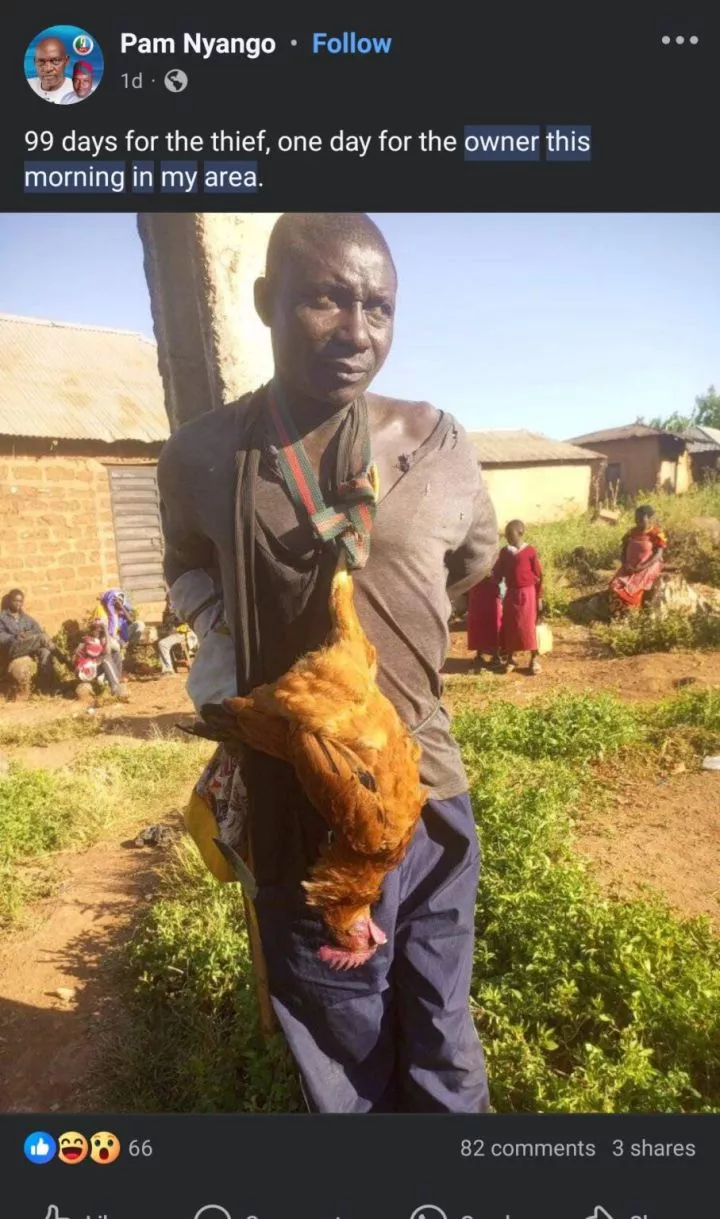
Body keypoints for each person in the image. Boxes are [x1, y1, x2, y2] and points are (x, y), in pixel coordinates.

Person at [157, 212, 499, 1114]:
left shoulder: (437, 444)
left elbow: (471, 562)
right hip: (303, 812)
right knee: (344, 1057)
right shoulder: (202, 456)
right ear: (268, 302)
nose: (357, 331)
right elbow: (184, 560)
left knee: (443, 1036)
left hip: (431, 799)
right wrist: (222, 627)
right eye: (326, 299)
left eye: (378, 307)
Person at [493, 520, 544, 675]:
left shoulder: (530, 551)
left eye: (510, 534)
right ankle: (511, 658)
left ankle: (534, 659)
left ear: (520, 532)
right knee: (510, 625)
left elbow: (539, 575)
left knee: (529, 627)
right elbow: (498, 573)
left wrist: (539, 597)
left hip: (528, 593)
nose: (507, 537)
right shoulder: (504, 552)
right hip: (511, 593)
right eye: (506, 535)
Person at [0, 589, 69, 693]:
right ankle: (65, 661)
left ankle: (45, 687)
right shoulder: (3, 618)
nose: (18, 604)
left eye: (21, 601)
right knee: (41, 638)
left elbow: (38, 630)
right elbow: (1, 636)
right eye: (16, 601)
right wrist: (14, 637)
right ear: (10, 601)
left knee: (45, 652)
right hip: (12, 649)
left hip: (27, 647)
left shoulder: (26, 618)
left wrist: (30, 635)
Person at [609, 504, 667, 617]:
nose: (638, 521)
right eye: (636, 518)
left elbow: (658, 554)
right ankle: (618, 614)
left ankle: (632, 614)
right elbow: (623, 550)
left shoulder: (656, 533)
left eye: (641, 518)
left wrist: (642, 566)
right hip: (629, 566)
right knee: (615, 585)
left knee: (633, 588)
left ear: (650, 518)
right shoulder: (631, 532)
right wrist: (625, 564)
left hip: (649, 565)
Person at [91, 589, 145, 670]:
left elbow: (130, 621)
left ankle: (130, 648)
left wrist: (122, 607)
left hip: (122, 636)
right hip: (109, 638)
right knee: (115, 646)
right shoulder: (103, 610)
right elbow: (98, 629)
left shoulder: (120, 611)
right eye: (116, 600)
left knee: (139, 624)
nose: (118, 602)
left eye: (120, 601)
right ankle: (117, 666)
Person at [72, 620, 127, 698]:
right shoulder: (89, 640)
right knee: (106, 658)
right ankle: (115, 688)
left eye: (100, 629)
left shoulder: (97, 641)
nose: (98, 631)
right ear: (91, 630)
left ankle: (117, 679)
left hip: (91, 668)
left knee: (116, 654)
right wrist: (106, 631)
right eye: (96, 629)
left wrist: (106, 634)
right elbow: (107, 652)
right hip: (84, 671)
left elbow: (114, 649)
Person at [467, 574, 503, 671]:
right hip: (477, 587)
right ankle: (479, 654)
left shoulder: (497, 558)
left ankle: (496, 655)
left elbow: (500, 571)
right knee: (478, 621)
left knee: (495, 622)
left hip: (492, 589)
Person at [157, 594, 196, 674]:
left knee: (162, 644)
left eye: (170, 600)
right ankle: (168, 666)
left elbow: (185, 623)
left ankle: (168, 670)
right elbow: (165, 624)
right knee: (159, 641)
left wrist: (175, 624)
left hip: (181, 634)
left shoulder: (180, 608)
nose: (169, 603)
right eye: (167, 601)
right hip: (171, 634)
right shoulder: (167, 612)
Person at [27, 36, 75, 102]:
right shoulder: (30, 83)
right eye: (41, 61)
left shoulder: (78, 91)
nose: (47, 69)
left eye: (55, 60)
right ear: (34, 62)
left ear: (66, 61)